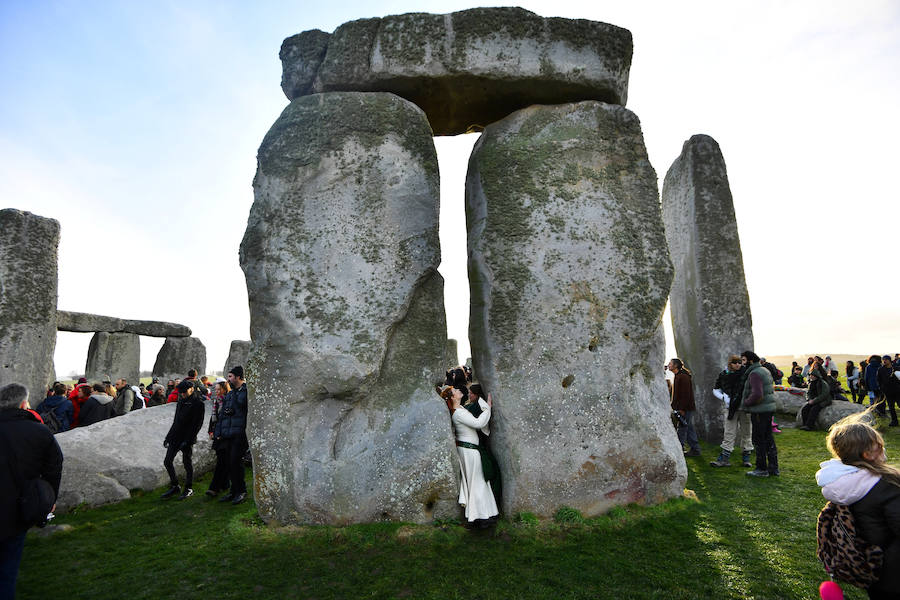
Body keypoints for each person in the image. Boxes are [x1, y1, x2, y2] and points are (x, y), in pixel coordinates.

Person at [815, 411, 900, 598]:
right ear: (867, 453)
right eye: (879, 446)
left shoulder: (845, 484)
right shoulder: (886, 485)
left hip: (873, 568)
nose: (883, 449)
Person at [0, 383, 64, 598]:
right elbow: (54, 466)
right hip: (18, 507)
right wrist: (50, 496)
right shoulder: (38, 431)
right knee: (7, 571)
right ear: (23, 404)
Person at [441, 386, 499, 525]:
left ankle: (485, 514)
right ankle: (479, 517)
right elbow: (479, 423)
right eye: (455, 391)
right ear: (452, 397)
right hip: (469, 450)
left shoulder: (461, 410)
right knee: (477, 481)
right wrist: (487, 408)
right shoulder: (459, 413)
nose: (458, 390)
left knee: (478, 481)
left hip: (469, 449)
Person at [161, 380, 206, 500]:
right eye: (180, 392)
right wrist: (168, 436)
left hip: (187, 437)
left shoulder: (198, 403)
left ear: (191, 389)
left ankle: (189, 488)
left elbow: (197, 425)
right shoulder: (181, 401)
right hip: (175, 436)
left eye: (184, 392)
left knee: (187, 463)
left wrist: (188, 440)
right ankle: (175, 485)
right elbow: (176, 421)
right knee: (167, 461)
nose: (182, 394)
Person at [740, 351, 778, 477]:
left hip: (759, 411)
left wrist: (746, 403)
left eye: (744, 360)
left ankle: (761, 468)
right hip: (767, 409)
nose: (742, 363)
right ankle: (773, 468)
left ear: (751, 360)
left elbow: (757, 394)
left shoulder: (754, 373)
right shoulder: (764, 370)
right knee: (768, 439)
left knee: (759, 439)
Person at [214, 366, 249, 505]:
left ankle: (241, 491)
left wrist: (234, 399)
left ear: (238, 377)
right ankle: (233, 491)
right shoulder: (230, 393)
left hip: (240, 433)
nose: (228, 379)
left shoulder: (246, 392)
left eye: (230, 376)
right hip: (228, 433)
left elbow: (242, 406)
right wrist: (218, 432)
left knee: (235, 462)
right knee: (229, 463)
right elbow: (222, 414)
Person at [711, 355, 753, 468]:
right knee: (729, 432)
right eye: (735, 363)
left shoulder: (746, 374)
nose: (738, 365)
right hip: (731, 408)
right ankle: (724, 458)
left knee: (747, 432)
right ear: (731, 363)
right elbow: (716, 388)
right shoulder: (724, 374)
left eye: (739, 363)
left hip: (745, 408)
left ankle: (746, 457)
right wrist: (724, 398)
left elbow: (752, 389)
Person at [668, 358, 700, 457]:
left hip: (685, 408)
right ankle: (695, 449)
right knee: (688, 427)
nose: (668, 365)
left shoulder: (683, 377)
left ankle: (679, 450)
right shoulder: (679, 376)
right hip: (684, 407)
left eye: (670, 364)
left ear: (675, 366)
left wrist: (682, 409)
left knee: (682, 428)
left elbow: (685, 395)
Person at [205, 378, 231, 498]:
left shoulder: (228, 400)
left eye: (219, 389)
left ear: (224, 389)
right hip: (217, 432)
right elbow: (213, 417)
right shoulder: (217, 401)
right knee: (222, 460)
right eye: (215, 390)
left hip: (225, 434)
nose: (217, 392)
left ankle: (214, 487)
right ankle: (225, 484)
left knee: (221, 461)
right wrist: (211, 430)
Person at [876, 355, 900, 427]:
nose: (884, 361)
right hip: (888, 391)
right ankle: (894, 421)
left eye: (886, 359)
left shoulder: (896, 368)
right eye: (883, 359)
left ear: (890, 360)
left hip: (898, 390)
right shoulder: (880, 370)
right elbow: (878, 380)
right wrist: (881, 388)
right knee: (891, 407)